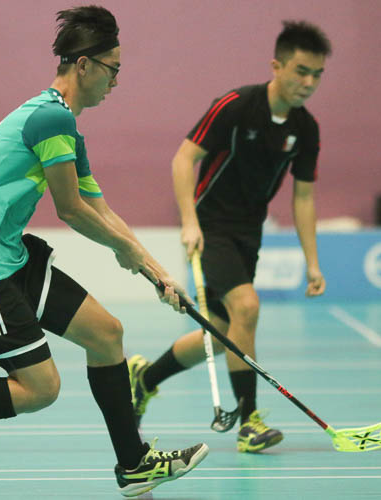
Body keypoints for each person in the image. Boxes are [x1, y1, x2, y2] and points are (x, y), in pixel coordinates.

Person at [0, 6, 207, 498]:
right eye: (113, 68)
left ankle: (134, 465)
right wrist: (128, 254)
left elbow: (100, 207)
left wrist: (157, 272)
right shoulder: (49, 118)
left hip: (12, 256)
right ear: (84, 65)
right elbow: (71, 210)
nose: (117, 80)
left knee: (107, 334)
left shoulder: (65, 126)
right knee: (41, 389)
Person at [128, 20, 331, 453]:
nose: (308, 82)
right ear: (276, 65)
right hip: (211, 224)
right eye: (300, 71)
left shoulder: (307, 129)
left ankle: (144, 378)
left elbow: (304, 199)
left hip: (248, 232)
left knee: (223, 331)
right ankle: (249, 422)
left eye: (316, 74)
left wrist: (313, 262)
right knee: (247, 307)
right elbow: (184, 158)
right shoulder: (236, 106)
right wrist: (189, 220)